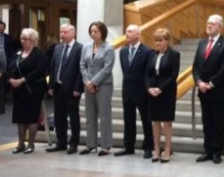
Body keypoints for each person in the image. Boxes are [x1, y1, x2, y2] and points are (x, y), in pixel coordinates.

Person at [192, 14, 224, 164]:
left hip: (218, 90)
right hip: (203, 90)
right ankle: (207, 150)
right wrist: (198, 82)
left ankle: (217, 151)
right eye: (208, 23)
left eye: (212, 24)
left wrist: (211, 83)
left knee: (218, 122)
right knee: (206, 121)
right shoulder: (202, 43)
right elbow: (196, 66)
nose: (209, 26)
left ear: (220, 27)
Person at [116, 24, 154, 159]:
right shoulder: (123, 51)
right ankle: (128, 146)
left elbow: (148, 73)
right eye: (126, 31)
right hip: (127, 91)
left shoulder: (148, 52)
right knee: (128, 120)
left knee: (146, 120)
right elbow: (126, 72)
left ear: (138, 34)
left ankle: (148, 147)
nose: (127, 33)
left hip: (142, 92)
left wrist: (147, 89)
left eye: (131, 31)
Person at [8, 28, 48, 154]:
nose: (23, 41)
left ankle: (31, 143)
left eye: (26, 39)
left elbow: (40, 70)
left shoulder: (39, 53)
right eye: (22, 38)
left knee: (31, 117)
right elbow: (10, 67)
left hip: (33, 90)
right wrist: (11, 79)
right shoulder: (18, 52)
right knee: (20, 117)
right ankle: (20, 143)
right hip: (18, 91)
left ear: (33, 40)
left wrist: (23, 80)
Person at [80, 21, 115, 156]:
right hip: (88, 85)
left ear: (103, 33)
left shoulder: (108, 48)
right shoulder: (86, 47)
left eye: (96, 31)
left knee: (104, 116)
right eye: (91, 31)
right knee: (90, 115)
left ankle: (105, 146)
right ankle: (91, 144)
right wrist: (87, 82)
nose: (93, 34)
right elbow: (82, 65)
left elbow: (107, 69)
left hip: (104, 85)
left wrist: (93, 82)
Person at [47, 24, 83, 154]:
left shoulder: (80, 48)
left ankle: (74, 143)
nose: (62, 34)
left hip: (72, 89)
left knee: (73, 117)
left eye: (65, 32)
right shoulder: (57, 48)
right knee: (59, 117)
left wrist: (78, 87)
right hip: (58, 88)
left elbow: (81, 70)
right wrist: (51, 85)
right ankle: (61, 142)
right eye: (61, 32)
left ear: (73, 33)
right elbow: (53, 67)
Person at [146, 28, 180, 163]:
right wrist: (149, 88)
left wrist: (160, 89)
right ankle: (156, 149)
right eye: (156, 40)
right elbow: (147, 74)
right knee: (155, 121)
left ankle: (167, 150)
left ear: (167, 41)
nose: (157, 43)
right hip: (152, 92)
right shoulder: (152, 55)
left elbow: (173, 75)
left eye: (160, 40)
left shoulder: (174, 55)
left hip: (167, 92)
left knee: (166, 122)